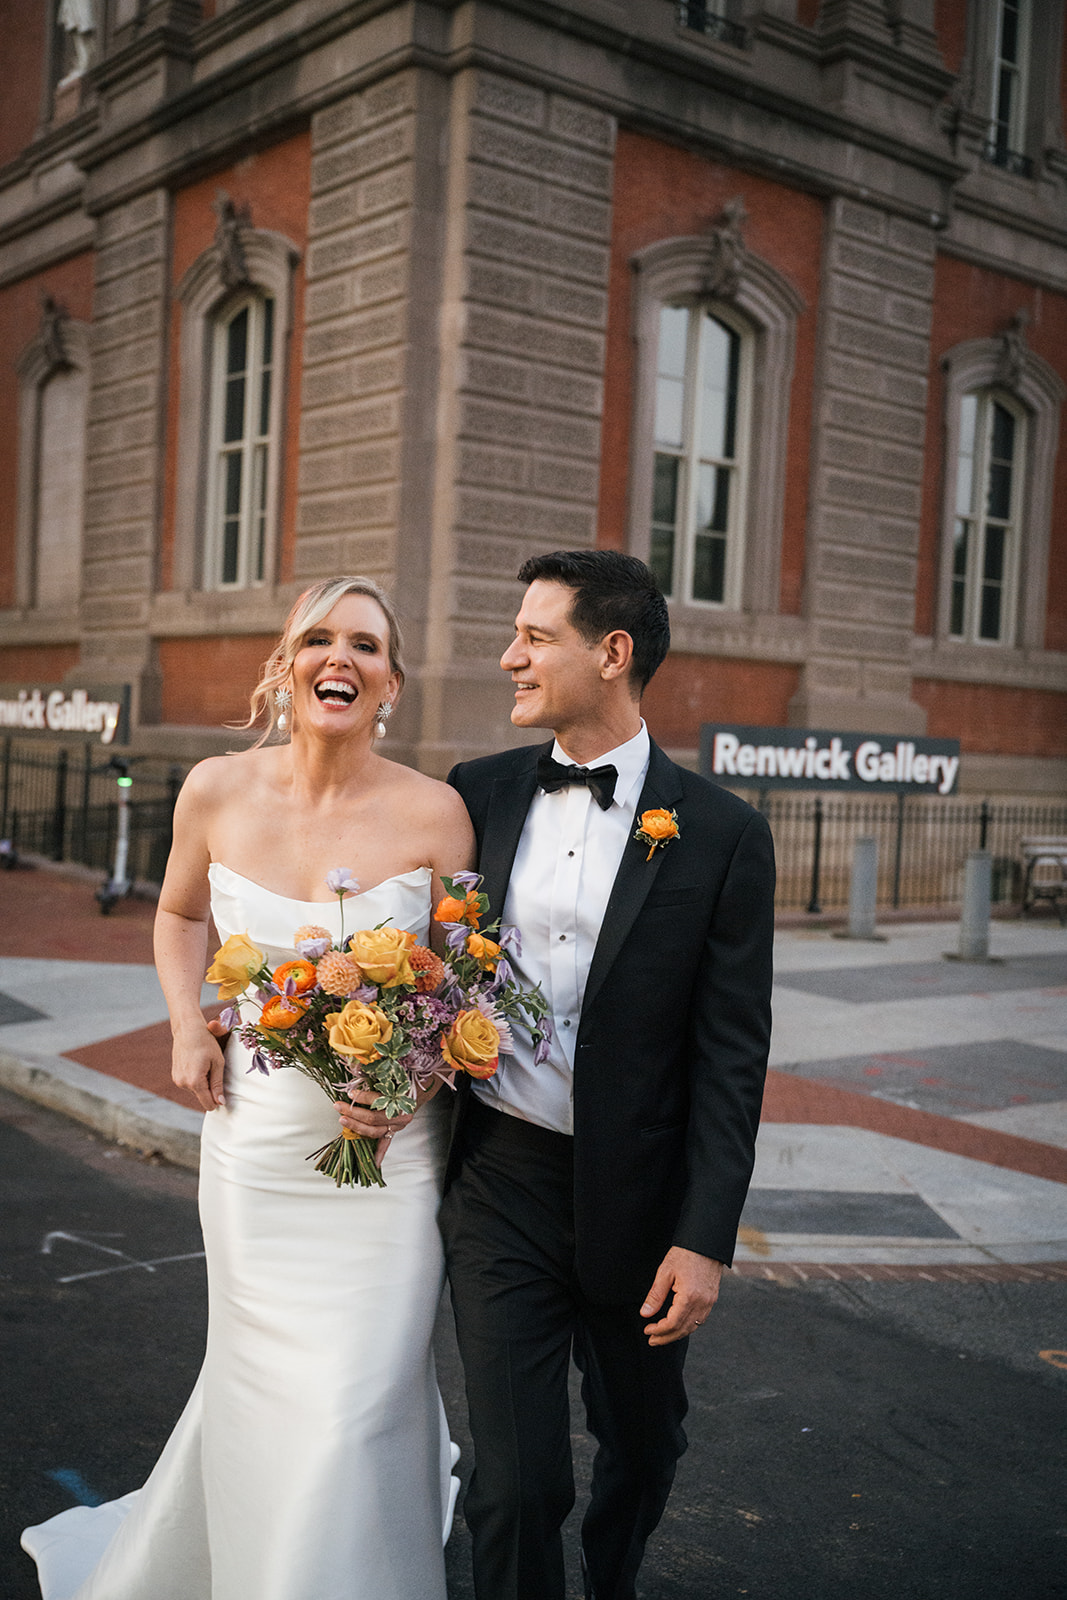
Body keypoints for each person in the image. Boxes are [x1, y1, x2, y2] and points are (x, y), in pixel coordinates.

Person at [21, 576, 474, 1600]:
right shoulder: (215, 789)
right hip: (256, 1146)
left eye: (364, 644)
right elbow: (180, 916)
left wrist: (410, 1080)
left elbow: (463, 980)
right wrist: (188, 1019)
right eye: (319, 639)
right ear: (285, 665)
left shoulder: (436, 813)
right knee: (262, 1385)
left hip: (388, 1161)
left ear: (389, 681)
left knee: (356, 1399)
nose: (340, 658)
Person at [439, 549, 775, 1600]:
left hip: (641, 1202)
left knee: (642, 1446)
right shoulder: (477, 791)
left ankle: (612, 1581)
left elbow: (731, 1055)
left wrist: (703, 1234)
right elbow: (427, 969)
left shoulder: (720, 834)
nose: (509, 656)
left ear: (612, 651)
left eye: (535, 636)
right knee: (515, 1481)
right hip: (500, 1182)